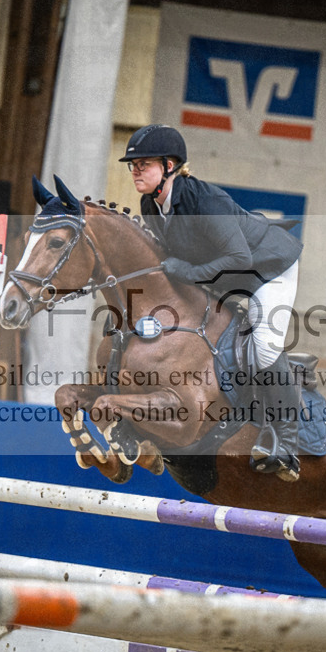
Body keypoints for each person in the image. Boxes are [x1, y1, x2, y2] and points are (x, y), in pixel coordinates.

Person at [120, 124, 304, 480]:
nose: (135, 169)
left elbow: (238, 257)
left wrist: (186, 271)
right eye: (132, 164)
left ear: (170, 166)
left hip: (268, 269)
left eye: (144, 163)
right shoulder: (150, 205)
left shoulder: (204, 201)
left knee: (262, 349)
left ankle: (287, 442)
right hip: (223, 276)